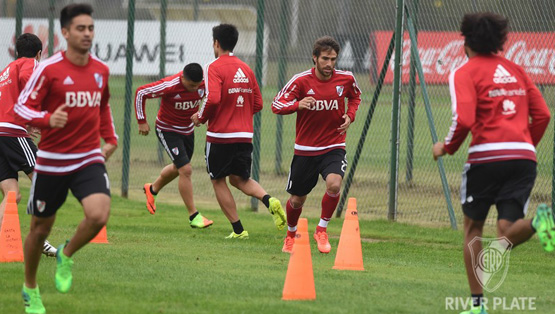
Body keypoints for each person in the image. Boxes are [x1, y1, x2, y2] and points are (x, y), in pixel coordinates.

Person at [432, 12, 552, 314]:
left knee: (473, 228)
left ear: (466, 42)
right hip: (523, 157)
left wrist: (445, 147)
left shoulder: (464, 72)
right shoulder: (516, 69)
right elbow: (543, 115)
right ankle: (539, 222)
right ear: (499, 40)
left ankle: (477, 306)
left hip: (487, 157)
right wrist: (523, 145)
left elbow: (465, 119)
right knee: (506, 229)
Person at [15, 4, 118, 314]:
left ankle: (66, 254)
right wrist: (47, 120)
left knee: (99, 215)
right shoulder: (48, 69)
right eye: (80, 29)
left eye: (90, 28)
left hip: (87, 156)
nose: (87, 34)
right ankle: (30, 288)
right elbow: (21, 108)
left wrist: (110, 139)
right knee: (40, 229)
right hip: (51, 161)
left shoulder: (101, 69)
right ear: (64, 33)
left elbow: (103, 107)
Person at [191, 24, 286, 239]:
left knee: (218, 180)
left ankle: (239, 230)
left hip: (220, 136)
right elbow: (258, 103)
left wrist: (201, 117)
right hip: (244, 136)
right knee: (239, 179)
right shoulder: (246, 68)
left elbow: (213, 98)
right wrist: (239, 115)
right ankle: (269, 199)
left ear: (216, 43)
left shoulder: (213, 67)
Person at [272, 36, 361, 254]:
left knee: (334, 184)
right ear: (314, 58)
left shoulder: (346, 79)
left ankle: (321, 230)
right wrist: (297, 104)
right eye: (325, 59)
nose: (330, 64)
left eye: (333, 59)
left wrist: (350, 116)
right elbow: (276, 104)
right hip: (305, 150)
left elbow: (356, 98)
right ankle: (291, 235)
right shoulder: (301, 81)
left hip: (334, 146)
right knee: (296, 199)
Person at [135, 63, 213, 229]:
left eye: (197, 85)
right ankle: (194, 216)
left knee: (179, 168)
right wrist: (142, 121)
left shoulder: (204, 84)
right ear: (182, 78)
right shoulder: (169, 85)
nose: (195, 89)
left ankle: (152, 189)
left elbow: (213, 99)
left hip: (188, 131)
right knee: (185, 170)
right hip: (167, 130)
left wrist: (203, 116)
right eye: (191, 85)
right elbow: (141, 92)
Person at [0, 33, 57, 257]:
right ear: (39, 53)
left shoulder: (6, 70)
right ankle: (39, 239)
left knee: (13, 194)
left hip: (5, 132)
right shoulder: (30, 64)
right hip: (12, 133)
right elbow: (30, 84)